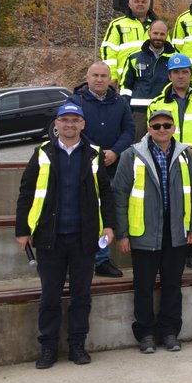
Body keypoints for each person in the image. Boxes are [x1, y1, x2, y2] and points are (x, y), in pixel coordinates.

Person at [15, 102, 115, 368]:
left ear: (83, 124)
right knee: (50, 296)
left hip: (84, 237)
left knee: (81, 296)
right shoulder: (42, 153)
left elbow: (105, 193)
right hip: (50, 237)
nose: (70, 125)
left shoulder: (94, 154)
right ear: (56, 124)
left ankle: (77, 346)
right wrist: (22, 230)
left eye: (75, 120)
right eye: (65, 120)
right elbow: (26, 193)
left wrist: (109, 226)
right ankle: (47, 348)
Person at [112, 108, 192, 352]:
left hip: (176, 232)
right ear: (149, 129)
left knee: (172, 286)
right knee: (143, 286)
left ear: (174, 128)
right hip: (143, 233)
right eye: (156, 126)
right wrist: (122, 234)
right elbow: (119, 196)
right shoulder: (131, 155)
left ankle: (170, 332)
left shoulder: (185, 156)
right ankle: (146, 334)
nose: (162, 129)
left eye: (166, 125)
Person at [147, 52, 192, 270]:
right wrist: (178, 149)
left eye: (185, 72)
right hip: (169, 159)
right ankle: (170, 250)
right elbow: (156, 132)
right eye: (176, 72)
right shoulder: (157, 103)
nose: (181, 76)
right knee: (169, 204)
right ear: (169, 76)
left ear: (190, 74)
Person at [70, 61, 135, 278]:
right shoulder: (75, 101)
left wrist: (115, 152)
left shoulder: (120, 102)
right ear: (87, 77)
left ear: (110, 79)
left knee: (106, 212)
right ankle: (77, 261)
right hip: (83, 166)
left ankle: (101, 259)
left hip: (112, 165)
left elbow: (129, 130)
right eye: (95, 75)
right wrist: (95, 152)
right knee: (83, 212)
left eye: (103, 76)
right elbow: (71, 129)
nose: (99, 79)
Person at [120, 20, 174, 131]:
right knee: (138, 146)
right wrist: (126, 110)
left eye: (162, 34)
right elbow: (125, 87)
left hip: (164, 112)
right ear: (149, 33)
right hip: (139, 112)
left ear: (167, 35)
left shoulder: (174, 59)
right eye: (155, 33)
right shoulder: (134, 58)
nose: (158, 37)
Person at [100, 0, 157, 86]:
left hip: (152, 82)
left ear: (149, 4)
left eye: (144, 1)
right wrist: (112, 76)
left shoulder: (157, 26)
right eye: (136, 1)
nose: (140, 4)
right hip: (125, 82)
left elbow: (167, 52)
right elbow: (109, 52)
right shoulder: (117, 25)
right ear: (129, 4)